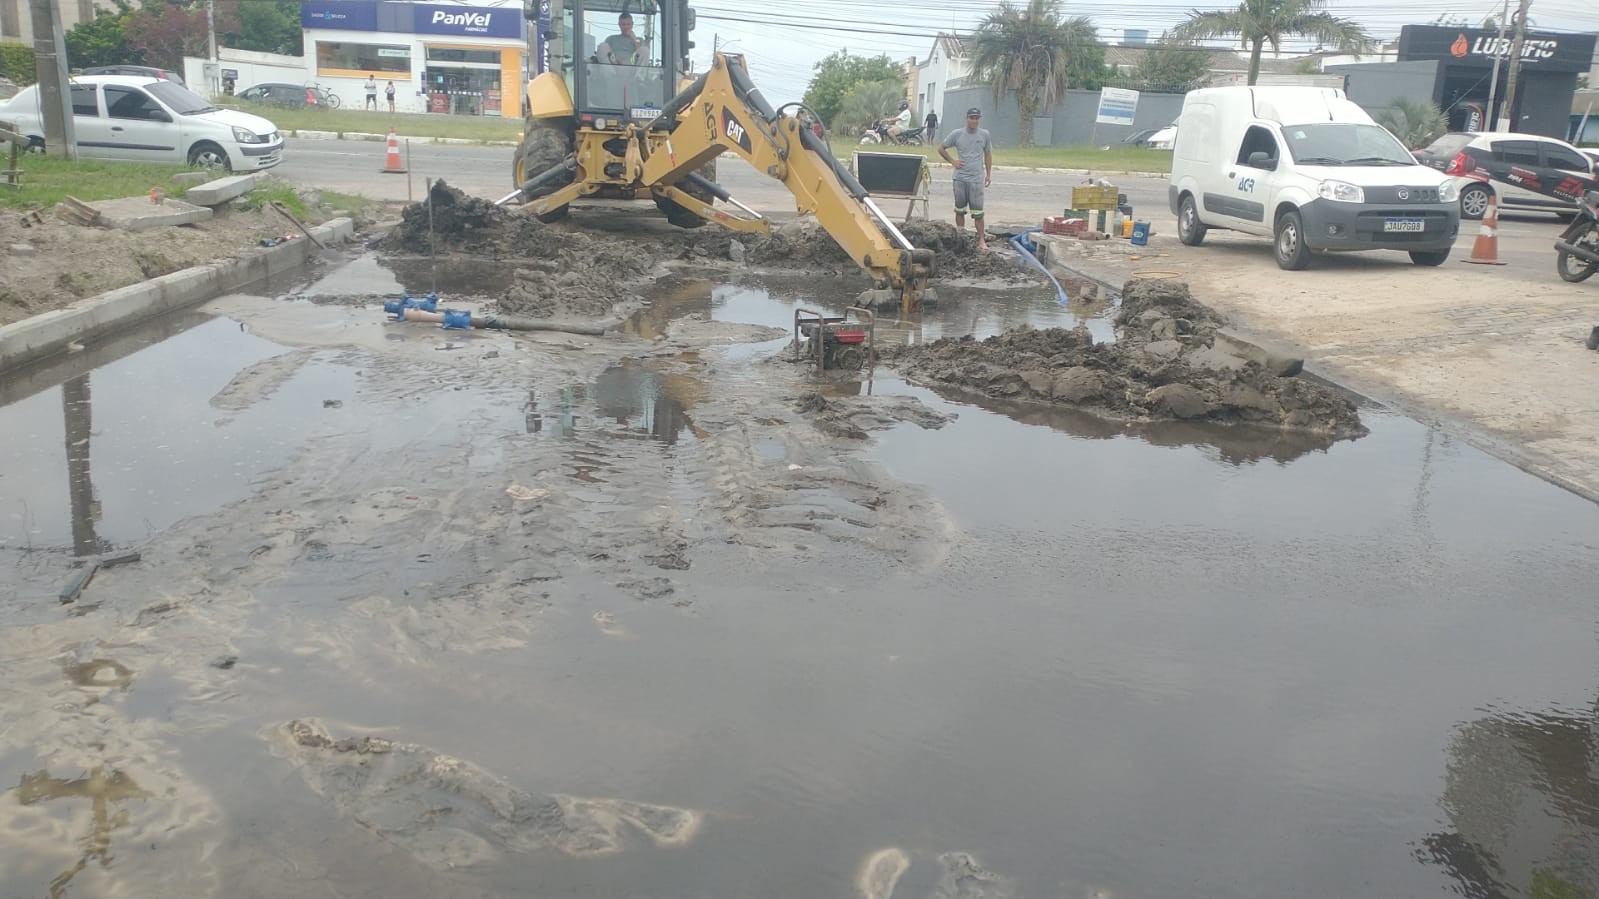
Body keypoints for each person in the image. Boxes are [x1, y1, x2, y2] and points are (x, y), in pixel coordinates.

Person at [938, 107, 993, 250]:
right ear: (966, 118)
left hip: (976, 179)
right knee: (959, 210)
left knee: (978, 212)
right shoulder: (957, 134)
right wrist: (952, 161)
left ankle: (981, 240)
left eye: (976, 118)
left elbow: (987, 154)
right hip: (960, 178)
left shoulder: (984, 135)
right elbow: (941, 148)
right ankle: (961, 237)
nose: (974, 121)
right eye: (972, 118)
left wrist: (988, 174)